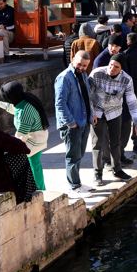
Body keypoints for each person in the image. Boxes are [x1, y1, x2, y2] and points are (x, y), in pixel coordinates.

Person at [89, 54, 137, 185]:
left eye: (116, 66)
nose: (112, 68)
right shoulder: (96, 73)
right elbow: (88, 95)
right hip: (97, 112)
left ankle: (117, 169)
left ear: (121, 69)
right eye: (111, 64)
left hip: (115, 112)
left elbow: (131, 101)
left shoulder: (127, 79)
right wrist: (91, 113)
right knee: (97, 144)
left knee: (116, 142)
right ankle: (98, 173)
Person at [54, 51, 96, 197]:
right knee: (72, 155)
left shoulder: (83, 74)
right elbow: (60, 104)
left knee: (79, 153)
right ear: (73, 60)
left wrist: (92, 114)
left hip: (84, 120)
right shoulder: (64, 77)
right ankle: (73, 186)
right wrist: (70, 123)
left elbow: (87, 96)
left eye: (85, 66)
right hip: (72, 124)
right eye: (79, 64)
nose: (82, 67)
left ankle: (77, 182)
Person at [0, 81, 50, 191]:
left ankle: (39, 190)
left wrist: (8, 146)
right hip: (39, 136)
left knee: (32, 165)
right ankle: (40, 188)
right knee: (35, 164)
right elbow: (14, 109)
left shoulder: (24, 111)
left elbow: (21, 135)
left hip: (34, 140)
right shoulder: (25, 100)